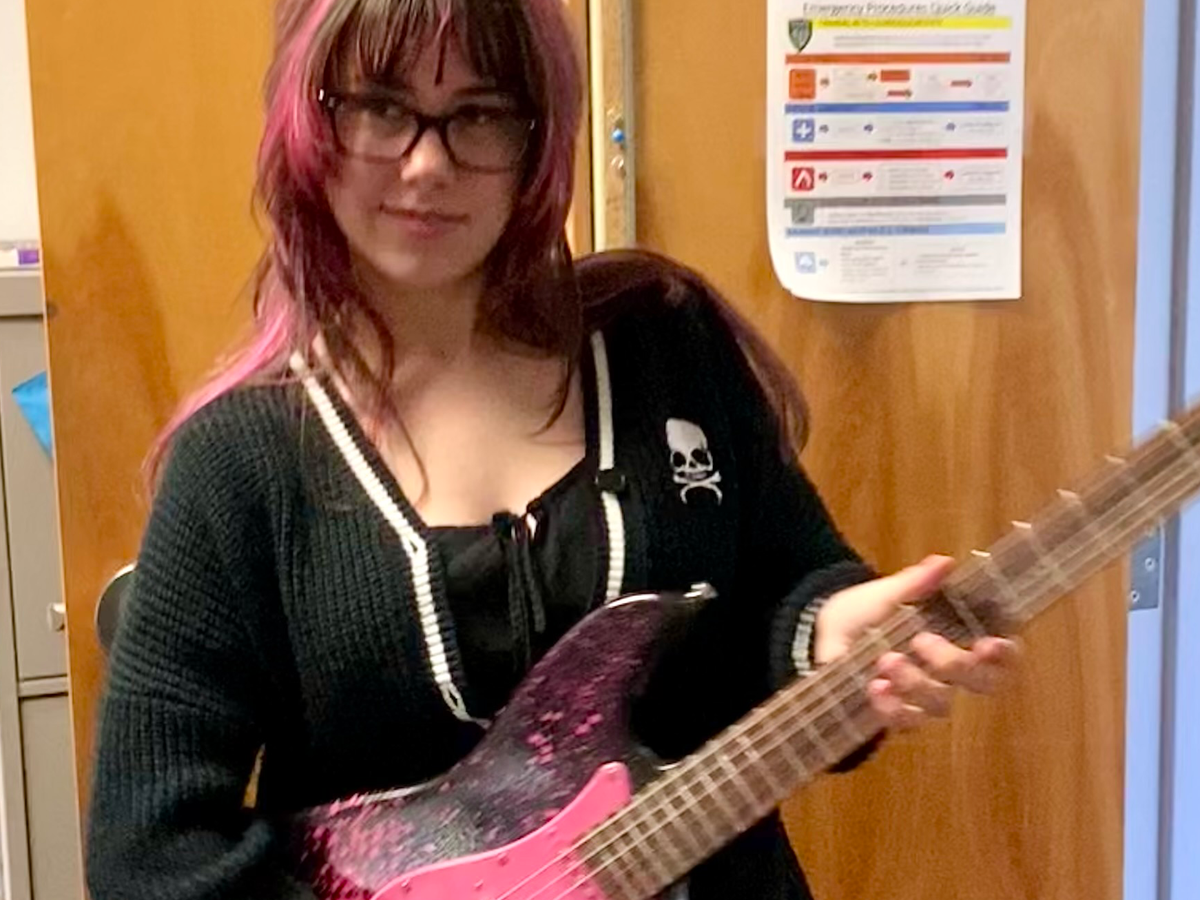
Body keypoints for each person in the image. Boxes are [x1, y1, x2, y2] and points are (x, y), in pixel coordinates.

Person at [85, 1, 1017, 898]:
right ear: (310, 123)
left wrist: (831, 631)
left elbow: (792, 580)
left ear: (537, 137)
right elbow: (149, 856)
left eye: (479, 114)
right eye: (380, 108)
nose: (426, 164)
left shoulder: (665, 349)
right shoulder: (238, 467)